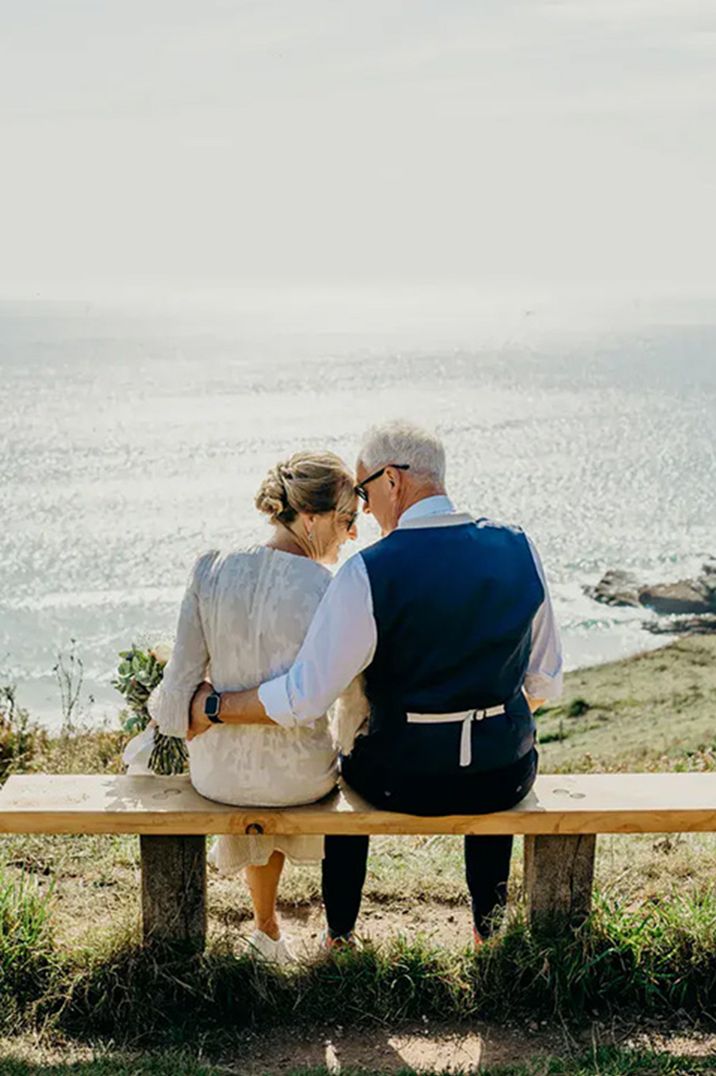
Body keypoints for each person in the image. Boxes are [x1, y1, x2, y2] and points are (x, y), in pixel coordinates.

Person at [189, 420, 563, 947]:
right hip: (504, 776)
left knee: (348, 760)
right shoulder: (520, 547)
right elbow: (545, 680)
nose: (364, 510)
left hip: (398, 779)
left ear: (394, 481)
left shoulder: (368, 571)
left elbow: (304, 696)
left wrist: (218, 706)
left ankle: (339, 935)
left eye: (364, 493)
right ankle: (489, 931)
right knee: (491, 756)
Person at [148, 451, 358, 963]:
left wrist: (195, 707)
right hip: (301, 777)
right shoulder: (330, 590)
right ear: (310, 517)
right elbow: (347, 695)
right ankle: (333, 936)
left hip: (216, 775)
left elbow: (174, 699)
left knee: (252, 768)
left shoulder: (210, 568)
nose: (351, 535)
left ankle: (266, 929)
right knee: (322, 761)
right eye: (346, 520)